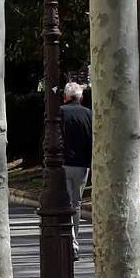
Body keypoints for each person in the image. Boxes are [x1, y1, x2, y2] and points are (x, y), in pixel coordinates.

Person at [61, 81, 93, 260]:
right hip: (82, 165)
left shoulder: (60, 112)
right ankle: (74, 241)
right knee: (76, 203)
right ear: (82, 97)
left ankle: (70, 240)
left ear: (65, 97)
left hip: (64, 163)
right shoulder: (89, 114)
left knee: (66, 203)